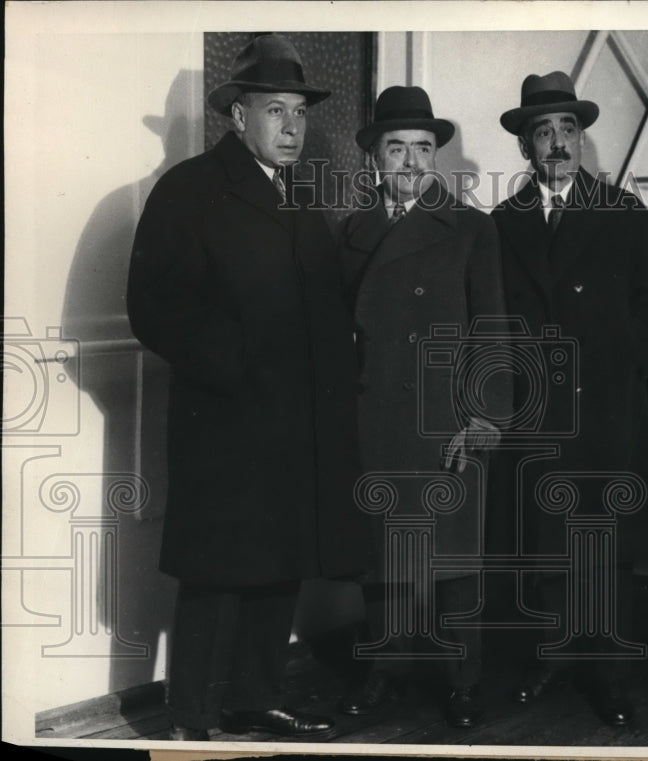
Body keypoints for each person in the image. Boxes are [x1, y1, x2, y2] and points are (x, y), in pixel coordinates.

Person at [127, 34, 368, 741]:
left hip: (293, 425)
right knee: (216, 571)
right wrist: (238, 365)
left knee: (277, 564)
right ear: (238, 115)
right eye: (275, 111)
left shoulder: (296, 198)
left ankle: (253, 697)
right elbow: (154, 305)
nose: (292, 127)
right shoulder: (191, 189)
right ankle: (189, 720)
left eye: (298, 112)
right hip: (226, 423)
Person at [490, 71, 648, 728]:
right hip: (536, 410)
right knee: (547, 546)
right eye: (542, 133)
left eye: (567, 130)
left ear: (582, 138)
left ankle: (609, 673)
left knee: (605, 548)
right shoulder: (503, 223)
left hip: (603, 406)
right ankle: (555, 656)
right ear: (526, 148)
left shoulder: (623, 213)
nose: (556, 144)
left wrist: (617, 355)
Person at [335, 85, 509, 729]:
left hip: (447, 420)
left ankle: (465, 681)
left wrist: (485, 415)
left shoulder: (469, 227)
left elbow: (492, 327)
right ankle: (386, 670)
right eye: (397, 147)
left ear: (436, 157)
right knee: (384, 559)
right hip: (375, 415)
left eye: (423, 149)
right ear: (375, 158)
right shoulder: (353, 230)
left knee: (455, 561)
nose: (411, 161)